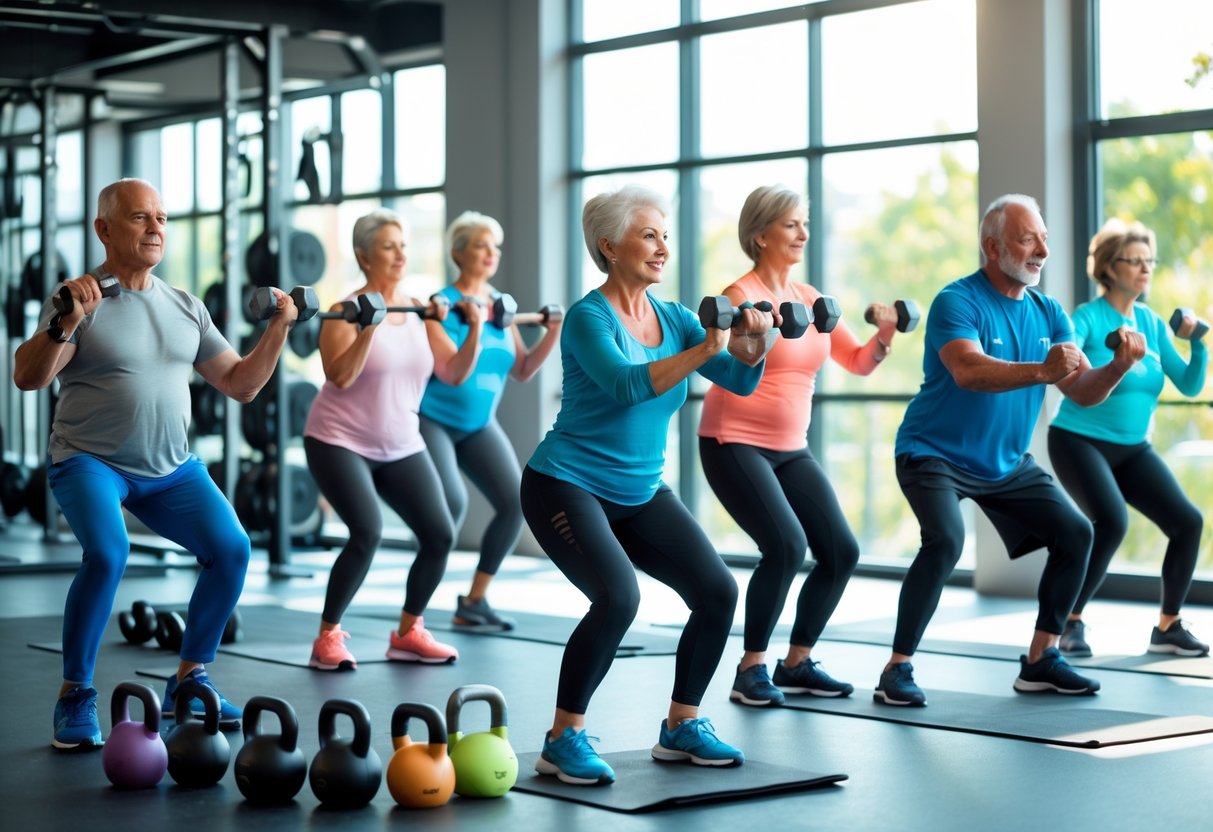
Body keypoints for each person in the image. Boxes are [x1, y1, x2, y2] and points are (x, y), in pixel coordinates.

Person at [13, 178, 299, 750]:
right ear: (104, 229)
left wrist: (278, 329)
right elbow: (29, 376)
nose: (155, 228)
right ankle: (75, 693)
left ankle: (189, 680)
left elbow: (240, 385)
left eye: (162, 219)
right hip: (90, 461)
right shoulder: (80, 299)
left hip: (171, 470)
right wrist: (64, 322)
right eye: (140, 217)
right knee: (109, 552)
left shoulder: (184, 306)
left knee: (233, 548)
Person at [521, 185, 774, 786]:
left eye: (665, 235)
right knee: (618, 597)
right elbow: (629, 385)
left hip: (640, 491)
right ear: (610, 246)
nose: (663, 247)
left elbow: (737, 380)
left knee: (717, 591)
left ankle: (682, 725)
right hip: (565, 484)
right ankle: (563, 738)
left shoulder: (677, 317)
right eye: (650, 235)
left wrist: (756, 339)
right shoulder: (590, 317)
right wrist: (708, 347)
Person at [875, 193, 1146, 707]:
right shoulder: (958, 301)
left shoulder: (1048, 312)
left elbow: (1083, 391)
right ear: (992, 246)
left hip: (1004, 463)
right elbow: (968, 371)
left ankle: (1042, 659)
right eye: (1027, 240)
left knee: (1076, 534)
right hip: (933, 452)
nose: (1041, 249)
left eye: (1043, 238)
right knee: (945, 542)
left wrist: (1117, 367)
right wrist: (1042, 370)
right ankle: (897, 669)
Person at [699, 185, 902, 708]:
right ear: (760, 233)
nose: (803, 235)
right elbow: (737, 360)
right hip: (733, 440)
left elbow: (856, 362)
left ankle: (796, 662)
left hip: (791, 447)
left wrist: (884, 335)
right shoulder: (739, 296)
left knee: (841, 551)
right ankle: (751, 669)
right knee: (787, 545)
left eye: (805, 224)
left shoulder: (811, 299)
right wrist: (755, 332)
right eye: (792, 225)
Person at [304, 208, 482, 671]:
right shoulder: (343, 312)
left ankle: (408, 632)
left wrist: (476, 326)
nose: (401, 253)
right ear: (364, 256)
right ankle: (327, 637)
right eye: (388, 246)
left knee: (440, 534)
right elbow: (339, 377)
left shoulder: (421, 310)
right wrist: (368, 327)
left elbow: (454, 373)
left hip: (401, 442)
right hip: (338, 440)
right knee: (367, 533)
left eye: (403, 244)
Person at [1047, 219, 1208, 658]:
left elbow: (1190, 385)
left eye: (1148, 261)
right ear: (1108, 267)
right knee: (1112, 521)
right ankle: (1069, 623)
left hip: (1133, 446)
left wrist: (1200, 344)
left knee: (1188, 522)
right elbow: (1066, 355)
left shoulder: (1152, 324)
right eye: (1134, 261)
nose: (1144, 268)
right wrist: (1105, 355)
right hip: (1078, 438)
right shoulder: (1087, 316)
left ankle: (1168, 626)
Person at [418, 211, 562, 631]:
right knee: (449, 505)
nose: (491, 253)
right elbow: (451, 367)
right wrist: (474, 322)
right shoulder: (441, 305)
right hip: (434, 420)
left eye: (495, 246)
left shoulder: (501, 306)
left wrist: (552, 331)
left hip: (478, 425)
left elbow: (521, 368)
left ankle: (474, 600)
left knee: (515, 504)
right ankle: (417, 606)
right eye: (481, 245)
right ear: (458, 251)